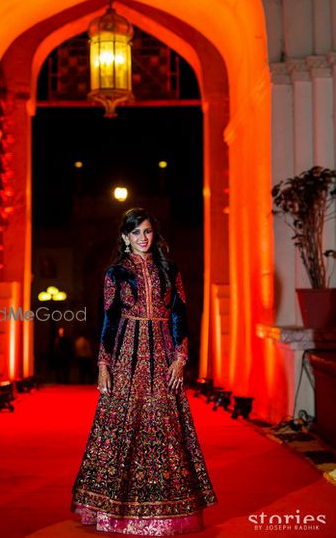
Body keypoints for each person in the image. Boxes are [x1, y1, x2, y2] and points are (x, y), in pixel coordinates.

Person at [71, 207, 218, 535]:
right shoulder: (116, 274)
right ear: (125, 237)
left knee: (165, 426)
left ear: (155, 234)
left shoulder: (170, 270)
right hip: (127, 354)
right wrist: (104, 365)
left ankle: (165, 510)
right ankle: (116, 509)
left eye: (148, 231)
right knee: (124, 423)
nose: (142, 238)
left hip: (164, 353)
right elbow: (108, 320)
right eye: (136, 232)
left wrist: (181, 357)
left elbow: (181, 315)